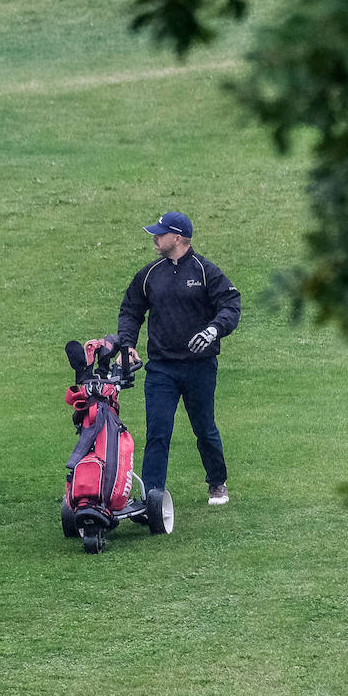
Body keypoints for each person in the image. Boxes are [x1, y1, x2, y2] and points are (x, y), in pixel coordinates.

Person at [117, 211, 241, 505]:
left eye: (160, 234)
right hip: (161, 369)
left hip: (200, 367)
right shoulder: (149, 274)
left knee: (204, 429)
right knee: (157, 433)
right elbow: (131, 311)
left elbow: (231, 305)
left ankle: (217, 483)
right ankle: (151, 497)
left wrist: (213, 330)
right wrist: (127, 345)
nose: (155, 238)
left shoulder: (204, 271)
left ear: (179, 238)